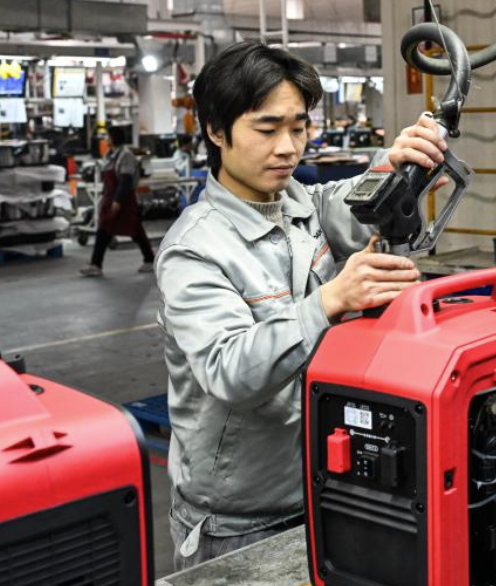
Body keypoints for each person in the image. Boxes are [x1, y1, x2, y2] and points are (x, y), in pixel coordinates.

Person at [155, 41, 446, 571]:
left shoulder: (300, 204)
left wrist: (398, 169)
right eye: (267, 130)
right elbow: (229, 370)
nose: (288, 147)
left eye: (298, 127)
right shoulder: (194, 249)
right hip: (238, 520)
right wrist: (329, 301)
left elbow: (354, 202)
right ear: (217, 133)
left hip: (325, 486)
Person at [79, 130, 156, 277]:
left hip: (123, 199)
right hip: (111, 197)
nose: (105, 138)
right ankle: (96, 264)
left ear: (114, 138)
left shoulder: (125, 155)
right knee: (106, 229)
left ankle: (149, 259)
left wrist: (117, 201)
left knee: (133, 229)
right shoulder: (110, 155)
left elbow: (126, 181)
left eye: (107, 136)